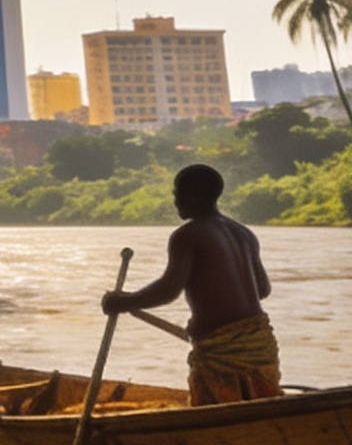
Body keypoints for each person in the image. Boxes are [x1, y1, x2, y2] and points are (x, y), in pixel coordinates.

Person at [102, 163, 281, 406]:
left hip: (219, 353)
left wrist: (122, 301)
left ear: (195, 195)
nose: (175, 200)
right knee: (259, 406)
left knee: (214, 415)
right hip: (260, 344)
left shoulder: (188, 235)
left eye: (178, 193)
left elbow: (169, 290)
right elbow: (262, 289)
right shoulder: (244, 233)